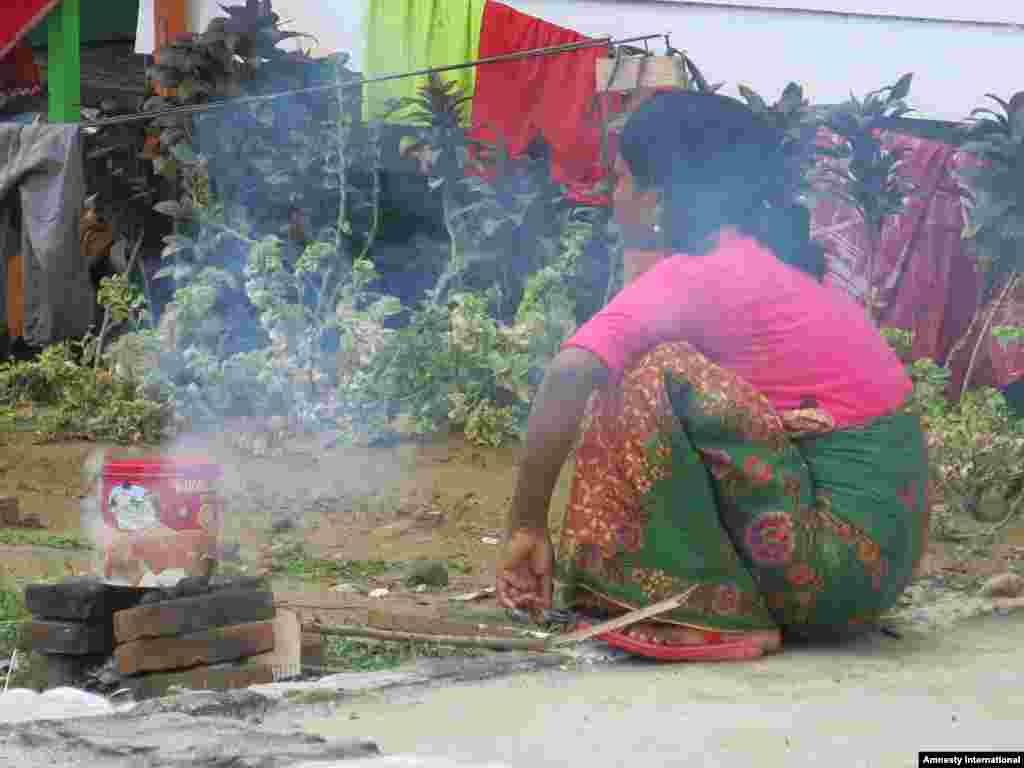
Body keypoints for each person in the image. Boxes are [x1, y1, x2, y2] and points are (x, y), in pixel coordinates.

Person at [495, 91, 929, 658]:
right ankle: (717, 598)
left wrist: (526, 525)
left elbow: (569, 372)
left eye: (622, 179)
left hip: (832, 572)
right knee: (657, 369)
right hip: (871, 570)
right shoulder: (761, 262)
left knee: (643, 376)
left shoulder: (700, 275)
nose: (613, 197)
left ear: (661, 195)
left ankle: (703, 614)